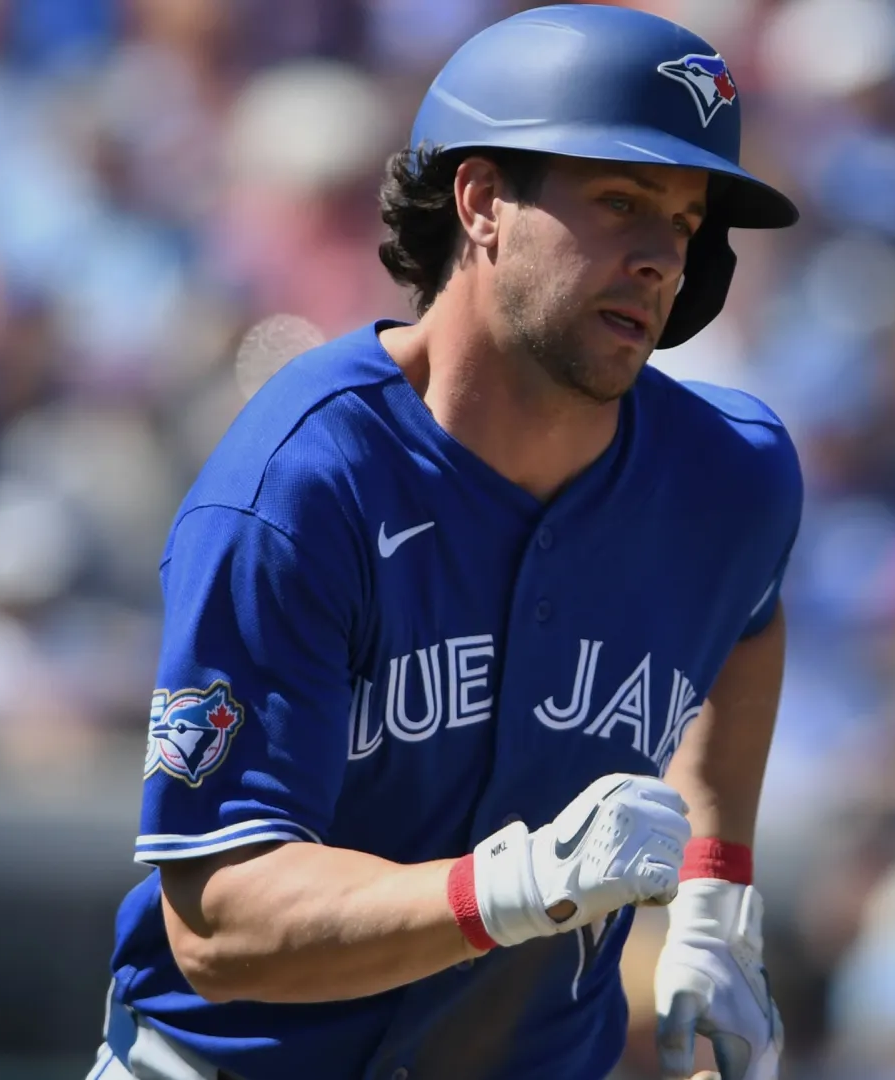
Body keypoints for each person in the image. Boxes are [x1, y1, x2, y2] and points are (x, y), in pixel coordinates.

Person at [90, 6, 801, 1079]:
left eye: (688, 222)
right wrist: (517, 887)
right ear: (480, 201)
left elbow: (747, 622)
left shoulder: (731, 476)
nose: (662, 256)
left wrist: (714, 885)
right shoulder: (302, 483)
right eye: (622, 202)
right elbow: (219, 926)